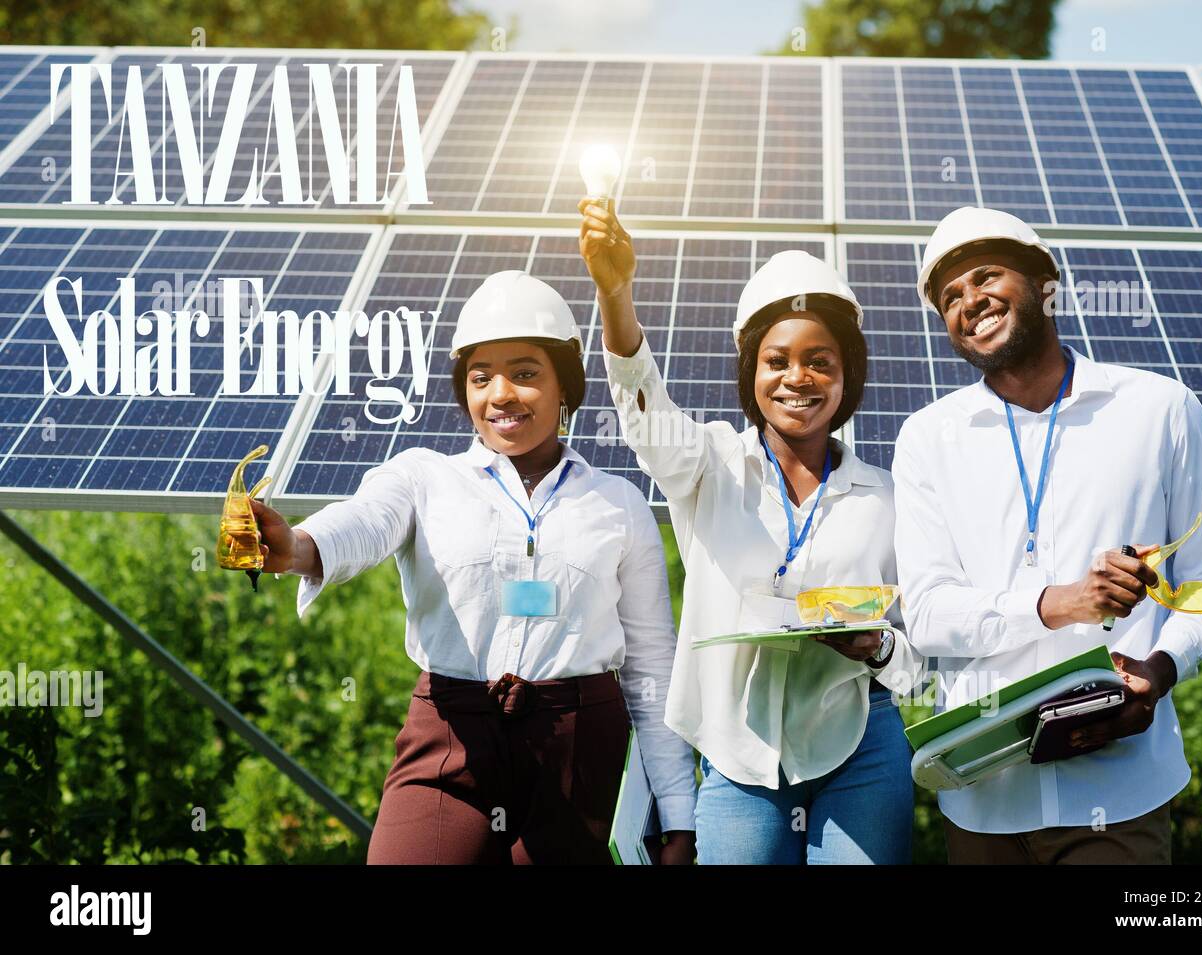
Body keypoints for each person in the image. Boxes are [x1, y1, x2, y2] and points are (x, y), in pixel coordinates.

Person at [250, 270, 697, 864]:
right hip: (450, 734)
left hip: (578, 748)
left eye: (526, 373)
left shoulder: (618, 503)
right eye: (481, 377)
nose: (502, 393)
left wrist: (678, 816)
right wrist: (298, 546)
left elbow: (651, 667)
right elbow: (365, 521)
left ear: (566, 384)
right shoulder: (424, 476)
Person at [892, 206, 1202, 864]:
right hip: (984, 798)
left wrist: (1159, 671)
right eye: (951, 297)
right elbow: (929, 612)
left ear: (1044, 283)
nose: (971, 301)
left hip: (1120, 789)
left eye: (987, 276)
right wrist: (1061, 601)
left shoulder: (1160, 408)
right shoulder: (926, 438)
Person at [579, 200, 924, 865]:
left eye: (820, 359)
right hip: (738, 756)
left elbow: (917, 656)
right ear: (752, 372)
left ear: (846, 374)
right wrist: (615, 292)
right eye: (777, 360)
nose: (798, 376)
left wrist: (876, 644)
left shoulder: (885, 496)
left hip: (860, 744)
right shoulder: (706, 464)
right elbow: (640, 402)